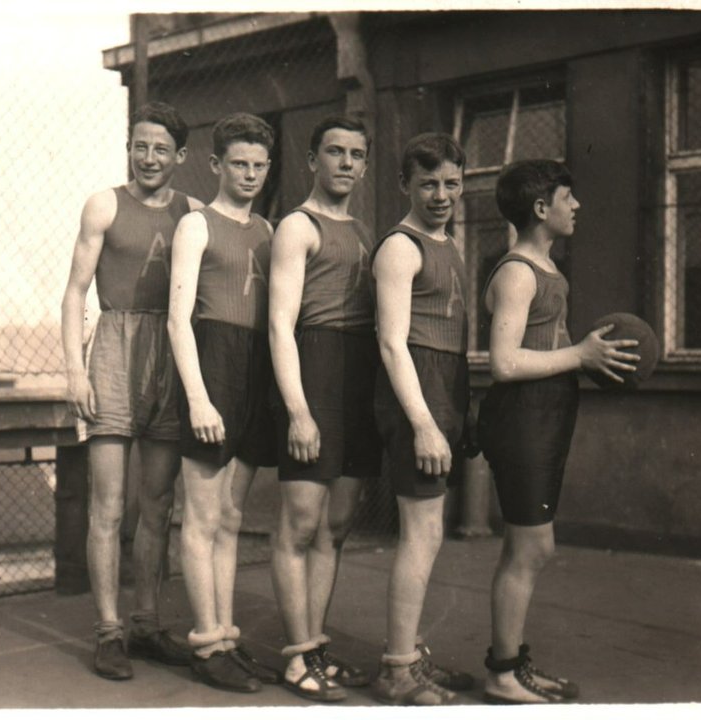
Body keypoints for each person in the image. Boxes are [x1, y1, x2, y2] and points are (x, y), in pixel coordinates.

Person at [477, 159, 639, 703]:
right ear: (542, 209)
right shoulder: (519, 272)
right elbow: (503, 362)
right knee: (530, 548)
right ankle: (502, 673)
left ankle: (511, 664)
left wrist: (591, 357)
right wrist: (579, 353)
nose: (577, 207)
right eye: (568, 198)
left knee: (529, 548)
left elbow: (550, 349)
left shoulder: (548, 270)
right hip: (521, 418)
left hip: (546, 416)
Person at [61, 101, 202, 681]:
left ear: (180, 156)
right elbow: (74, 293)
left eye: (161, 149)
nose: (149, 158)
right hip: (116, 349)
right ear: (130, 148)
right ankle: (109, 632)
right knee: (109, 504)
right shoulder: (104, 204)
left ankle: (146, 623)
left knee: (159, 504)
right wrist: (75, 369)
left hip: (171, 350)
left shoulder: (192, 213)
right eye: (140, 146)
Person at [167, 112, 283, 693]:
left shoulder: (268, 230)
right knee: (203, 514)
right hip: (212, 363)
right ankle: (205, 643)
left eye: (260, 165)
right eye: (239, 163)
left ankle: (226, 637)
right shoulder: (197, 226)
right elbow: (178, 320)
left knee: (233, 516)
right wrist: (198, 399)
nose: (250, 174)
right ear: (216, 165)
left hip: (255, 368)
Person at [268, 115, 380, 702]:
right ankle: (296, 658)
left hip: (357, 376)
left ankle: (315, 648)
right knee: (301, 523)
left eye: (356, 154)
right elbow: (281, 326)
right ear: (313, 159)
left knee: (335, 526)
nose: (345, 163)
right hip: (313, 368)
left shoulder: (364, 231)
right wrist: (298, 411)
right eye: (334, 152)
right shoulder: (296, 226)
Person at [369, 133, 476, 705]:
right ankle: (395, 668)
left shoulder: (448, 245)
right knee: (421, 532)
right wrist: (425, 423)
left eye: (451, 183)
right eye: (428, 183)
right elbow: (392, 344)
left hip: (445, 384)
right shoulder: (401, 248)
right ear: (406, 183)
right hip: (417, 391)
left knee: (429, 533)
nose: (441, 195)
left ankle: (408, 654)